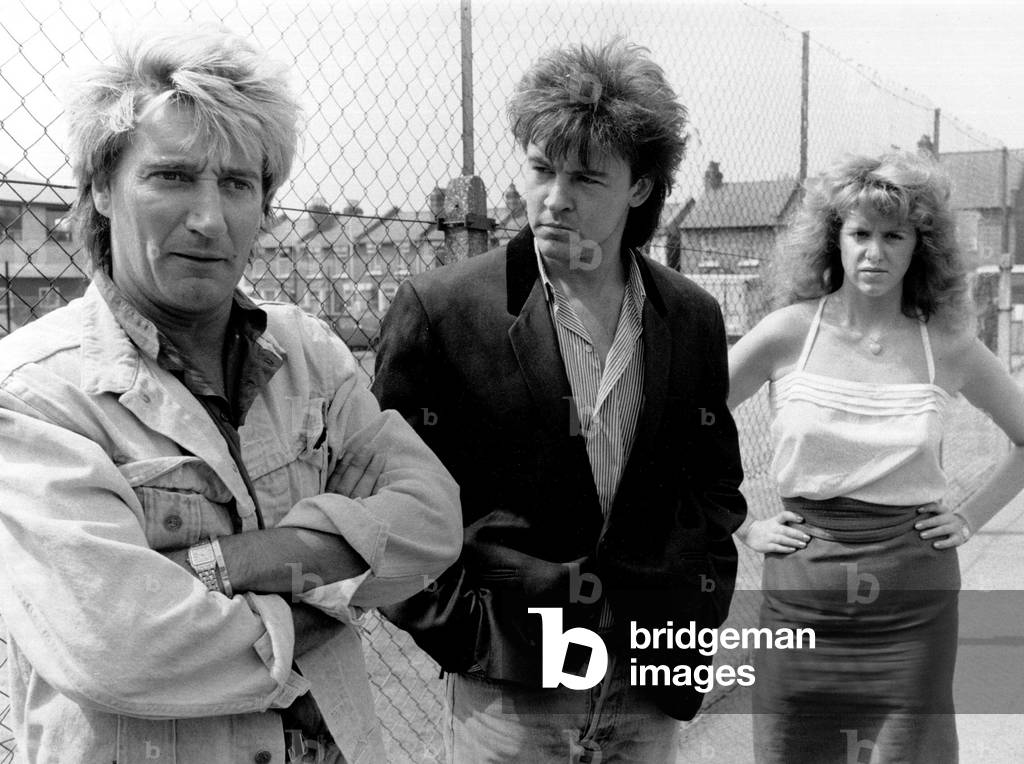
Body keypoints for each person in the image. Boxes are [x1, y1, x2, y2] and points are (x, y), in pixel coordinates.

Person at [0, 26, 462, 764]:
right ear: (98, 189)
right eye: (173, 177)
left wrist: (220, 567)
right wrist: (330, 595)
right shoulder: (33, 394)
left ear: (266, 206)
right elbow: (120, 646)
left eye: (238, 184)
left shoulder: (306, 353)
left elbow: (434, 520)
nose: (210, 218)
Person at [372, 39, 746, 763]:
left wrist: (692, 615)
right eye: (541, 169)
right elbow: (383, 496)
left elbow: (714, 490)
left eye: (585, 177)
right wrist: (470, 636)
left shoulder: (691, 317)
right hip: (511, 687)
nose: (554, 197)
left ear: (639, 187)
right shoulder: (443, 311)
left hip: (648, 679)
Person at [728, 150, 1024, 763]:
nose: (875, 251)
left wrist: (970, 516)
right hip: (799, 604)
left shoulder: (949, 345)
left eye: (895, 235)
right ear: (833, 239)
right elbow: (679, 429)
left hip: (912, 609)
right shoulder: (788, 331)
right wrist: (741, 523)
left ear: (922, 246)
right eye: (860, 233)